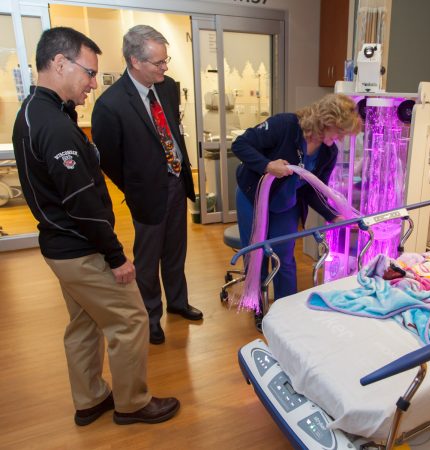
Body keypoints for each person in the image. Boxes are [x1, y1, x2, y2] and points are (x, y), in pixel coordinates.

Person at [12, 27, 179, 426]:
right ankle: (133, 403)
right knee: (131, 318)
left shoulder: (36, 113)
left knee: (85, 322)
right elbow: (82, 203)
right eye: (89, 73)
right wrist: (117, 256)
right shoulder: (53, 126)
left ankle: (90, 399)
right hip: (78, 248)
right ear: (59, 64)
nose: (92, 83)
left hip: (60, 246)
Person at [92, 25, 201, 345]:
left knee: (176, 251)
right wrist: (136, 186)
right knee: (148, 258)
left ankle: (178, 302)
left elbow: (172, 132)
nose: (165, 67)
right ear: (134, 61)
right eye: (159, 62)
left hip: (176, 182)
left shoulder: (166, 89)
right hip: (146, 192)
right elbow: (109, 158)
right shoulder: (110, 104)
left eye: (166, 61)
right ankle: (151, 317)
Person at [232, 93, 362, 324]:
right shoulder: (285, 126)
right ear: (326, 120)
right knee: (257, 255)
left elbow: (313, 188)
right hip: (253, 197)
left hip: (285, 203)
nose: (341, 137)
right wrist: (267, 166)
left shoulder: (327, 152)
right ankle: (259, 308)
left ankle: (286, 314)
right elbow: (240, 144)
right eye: (340, 131)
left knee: (284, 259)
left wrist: (333, 215)